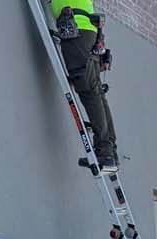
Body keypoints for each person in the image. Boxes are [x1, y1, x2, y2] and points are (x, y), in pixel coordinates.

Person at [51, 0, 118, 168]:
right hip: (89, 30)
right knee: (96, 93)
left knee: (89, 91)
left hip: (76, 29)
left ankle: (105, 151)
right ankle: (110, 150)